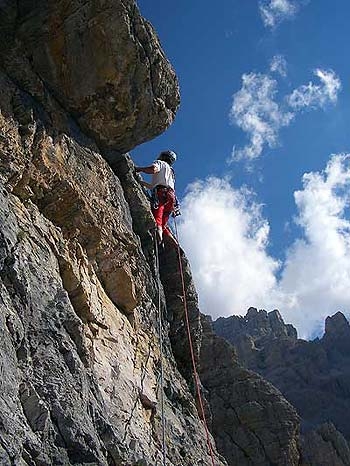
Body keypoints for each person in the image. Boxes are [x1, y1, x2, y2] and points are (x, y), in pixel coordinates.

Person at [135, 150, 179, 247]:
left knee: (158, 218)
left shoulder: (160, 163)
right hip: (171, 197)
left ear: (163, 156)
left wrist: (139, 169)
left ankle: (159, 238)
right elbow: (154, 186)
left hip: (161, 193)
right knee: (163, 223)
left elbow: (153, 169)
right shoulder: (171, 172)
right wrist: (142, 183)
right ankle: (173, 242)